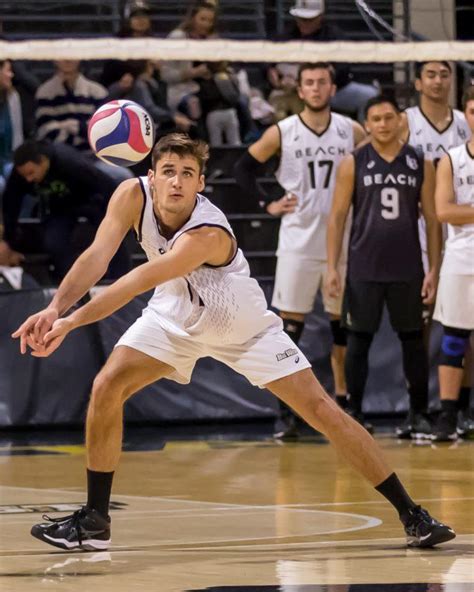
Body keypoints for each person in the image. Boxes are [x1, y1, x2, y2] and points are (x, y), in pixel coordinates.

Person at [13, 133, 454, 551]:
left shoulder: (207, 233)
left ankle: (412, 514)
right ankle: (94, 520)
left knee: (324, 413)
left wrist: (71, 323)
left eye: (188, 173)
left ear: (201, 183)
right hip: (174, 315)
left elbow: (132, 282)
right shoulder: (130, 196)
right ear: (151, 175)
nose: (177, 181)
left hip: (241, 327)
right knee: (107, 386)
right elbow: (96, 256)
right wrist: (56, 308)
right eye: (168, 170)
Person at [235, 62, 366, 438]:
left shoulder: (351, 130)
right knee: (289, 327)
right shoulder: (283, 131)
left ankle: (344, 403)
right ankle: (288, 413)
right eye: (309, 82)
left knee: (343, 326)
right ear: (301, 89)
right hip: (298, 239)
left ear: (332, 87)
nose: (316, 88)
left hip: (343, 240)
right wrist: (269, 204)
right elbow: (243, 169)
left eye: (322, 81)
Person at [326, 96, 442, 439]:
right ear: (368, 123)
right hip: (364, 267)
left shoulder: (420, 161)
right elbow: (336, 218)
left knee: (414, 343)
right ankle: (355, 414)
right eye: (375, 119)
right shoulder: (353, 161)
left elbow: (433, 221)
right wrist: (332, 267)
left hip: (408, 267)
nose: (383, 124)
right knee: (358, 341)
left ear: (399, 121)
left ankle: (418, 414)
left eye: (389, 117)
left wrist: (434, 268)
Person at [400, 61, 472, 438]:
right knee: (424, 324)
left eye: (445, 74)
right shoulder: (405, 121)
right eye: (431, 74)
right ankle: (421, 407)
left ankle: (460, 407)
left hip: (455, 237)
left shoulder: (463, 120)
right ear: (417, 82)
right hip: (419, 231)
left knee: (461, 326)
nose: (438, 80)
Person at [1, 140, 131, 280]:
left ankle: (120, 279)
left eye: (31, 173)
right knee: (54, 241)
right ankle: (71, 286)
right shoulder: (20, 175)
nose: (28, 179)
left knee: (112, 232)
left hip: (90, 200)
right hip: (59, 208)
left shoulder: (70, 163)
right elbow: (11, 205)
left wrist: (121, 216)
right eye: (25, 175)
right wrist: (8, 239)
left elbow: (107, 186)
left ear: (44, 162)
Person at [431, 85, 474, 441]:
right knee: (455, 340)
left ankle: (466, 411)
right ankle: (448, 415)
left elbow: (457, 210)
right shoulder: (452, 158)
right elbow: (444, 211)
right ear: (466, 115)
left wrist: (467, 213)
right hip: (461, 259)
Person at [268, 0, 378, 122]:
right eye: (301, 19)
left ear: (320, 17)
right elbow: (265, 56)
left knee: (370, 96)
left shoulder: (334, 36)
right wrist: (270, 71)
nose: (304, 24)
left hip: (334, 91)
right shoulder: (285, 36)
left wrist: (330, 77)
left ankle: (367, 137)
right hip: (297, 92)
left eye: (309, 20)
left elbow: (344, 66)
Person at [35, 60, 132, 185]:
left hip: (94, 159)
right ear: (54, 59)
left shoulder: (97, 91)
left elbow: (103, 132)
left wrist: (72, 127)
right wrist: (84, 130)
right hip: (62, 161)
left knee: (124, 176)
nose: (67, 59)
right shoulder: (45, 93)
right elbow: (46, 133)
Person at [0, 60, 24, 199]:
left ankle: (14, 221)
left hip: (8, 159)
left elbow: (17, 137)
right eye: (7, 70)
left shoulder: (13, 96)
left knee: (21, 178)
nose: (11, 75)